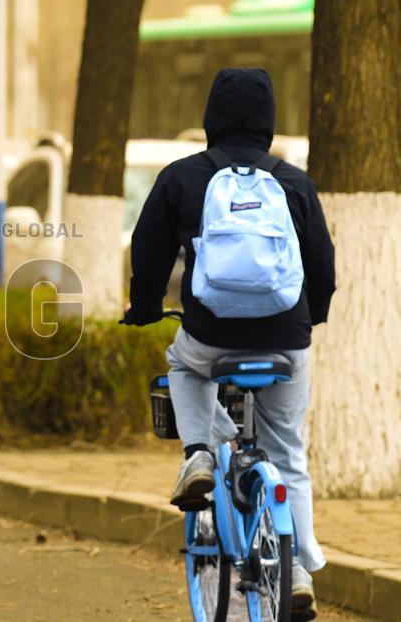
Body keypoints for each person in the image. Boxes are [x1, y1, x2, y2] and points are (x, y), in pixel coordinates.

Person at [123, 68, 335, 620]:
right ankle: (299, 570)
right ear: (269, 121)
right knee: (289, 453)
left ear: (210, 117)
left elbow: (147, 255)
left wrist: (143, 310)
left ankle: (198, 454)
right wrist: (312, 318)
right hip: (287, 342)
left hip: (210, 337)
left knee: (185, 369)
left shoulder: (182, 179)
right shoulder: (293, 182)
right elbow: (323, 266)